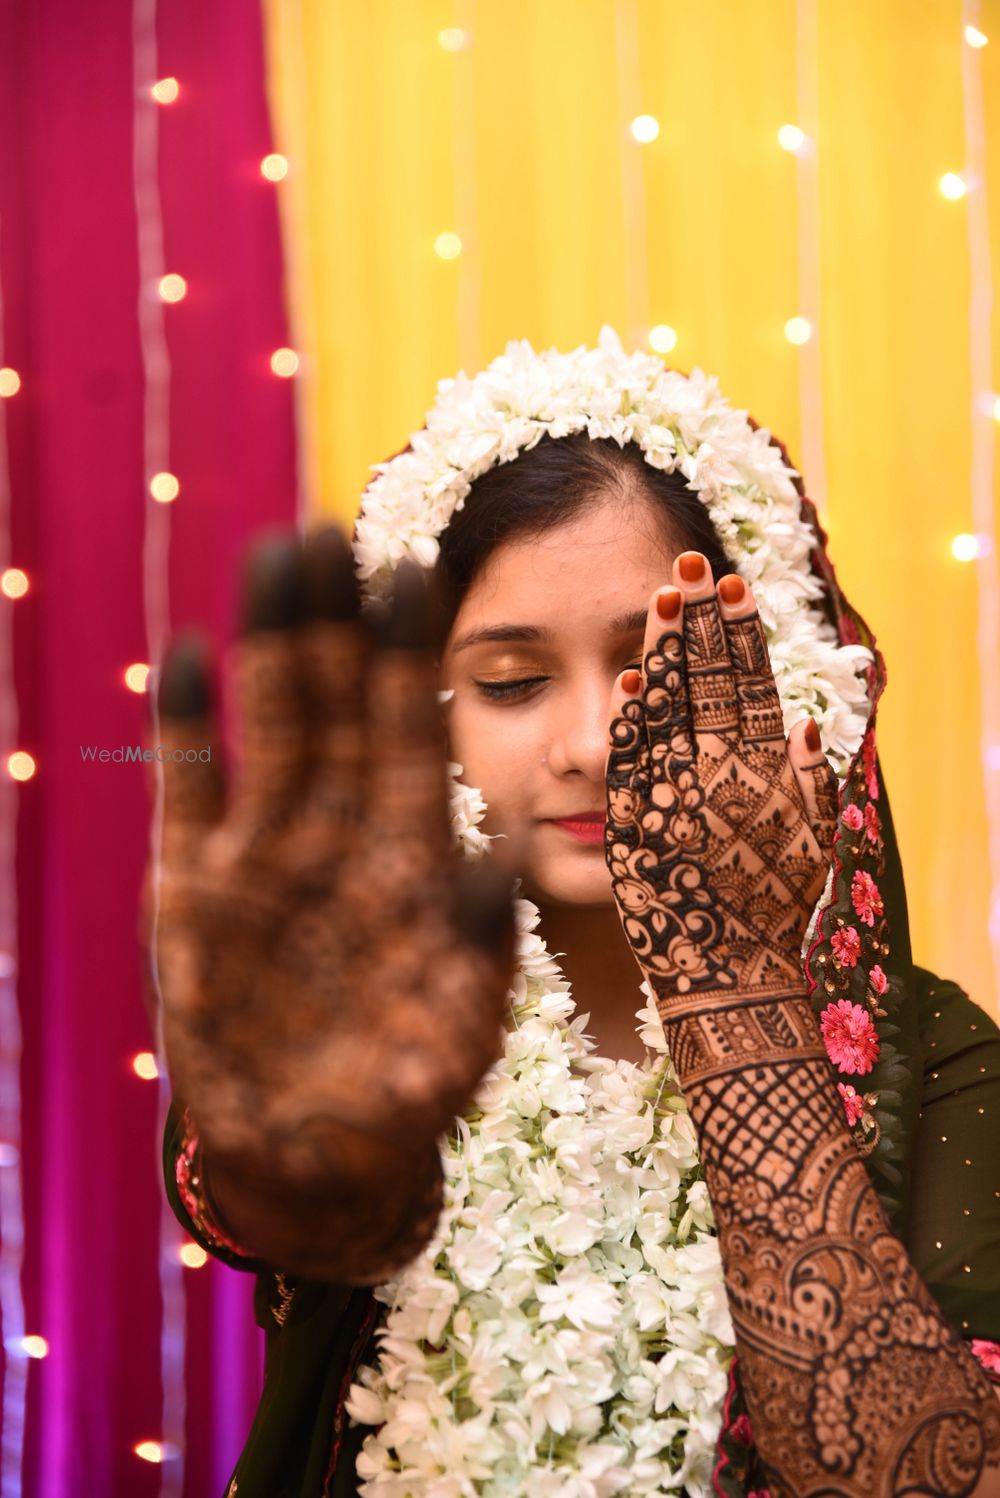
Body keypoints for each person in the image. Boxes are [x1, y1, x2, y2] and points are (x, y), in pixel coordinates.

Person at [154, 329, 1000, 1498]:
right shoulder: (368, 1003)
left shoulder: (939, 1055)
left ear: (783, 687)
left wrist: (730, 976)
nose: (597, 743)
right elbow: (254, 1201)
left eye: (655, 665)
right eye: (508, 681)